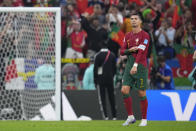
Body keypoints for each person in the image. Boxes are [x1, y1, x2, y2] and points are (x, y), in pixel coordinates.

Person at [120, 13, 150, 126]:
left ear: (140, 21)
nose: (133, 21)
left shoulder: (145, 35)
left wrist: (136, 65)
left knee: (141, 93)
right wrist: (130, 50)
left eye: (135, 19)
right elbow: (122, 51)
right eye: (131, 19)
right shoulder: (127, 35)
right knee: (124, 90)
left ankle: (144, 119)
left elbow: (141, 52)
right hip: (129, 65)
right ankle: (131, 117)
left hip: (140, 66)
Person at [93, 43, 117, 120]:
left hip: (101, 79)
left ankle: (106, 116)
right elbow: (114, 69)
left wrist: (95, 81)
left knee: (102, 98)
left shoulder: (98, 56)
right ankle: (114, 116)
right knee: (112, 98)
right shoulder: (112, 55)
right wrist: (112, 76)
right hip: (110, 79)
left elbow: (95, 70)